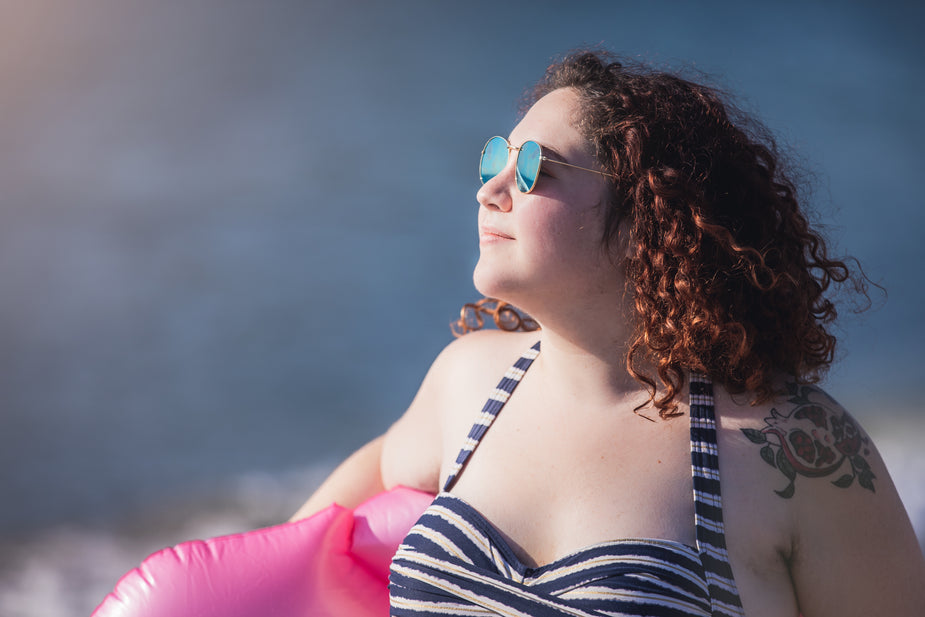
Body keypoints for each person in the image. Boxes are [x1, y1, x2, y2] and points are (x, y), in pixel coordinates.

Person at [291, 50, 925, 616]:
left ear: (646, 220)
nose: (490, 190)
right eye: (495, 159)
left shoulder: (798, 448)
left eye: (535, 169)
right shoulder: (469, 381)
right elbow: (317, 529)